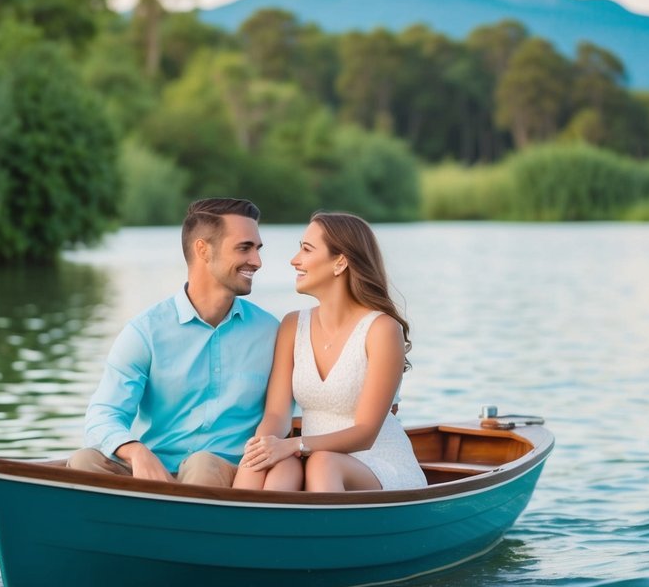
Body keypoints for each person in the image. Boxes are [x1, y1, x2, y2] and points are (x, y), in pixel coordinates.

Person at [68, 198, 279, 487]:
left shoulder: (271, 332)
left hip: (227, 478)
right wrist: (135, 451)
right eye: (244, 248)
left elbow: (289, 417)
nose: (257, 261)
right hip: (154, 475)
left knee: (202, 463)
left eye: (257, 249)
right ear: (202, 249)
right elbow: (103, 414)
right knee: (83, 461)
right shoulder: (146, 332)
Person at [233, 211, 427, 493]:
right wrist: (262, 449)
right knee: (271, 464)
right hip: (313, 458)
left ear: (340, 262)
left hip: (376, 465)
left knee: (322, 463)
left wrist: (294, 444)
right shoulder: (292, 325)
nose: (294, 259)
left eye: (307, 249)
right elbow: (276, 413)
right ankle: (240, 528)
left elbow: (365, 433)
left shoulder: (381, 329)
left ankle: (323, 535)